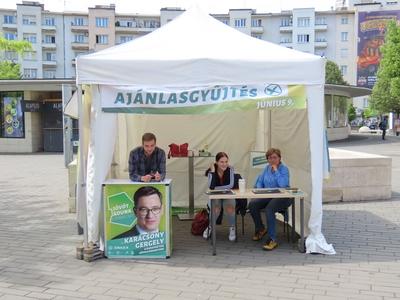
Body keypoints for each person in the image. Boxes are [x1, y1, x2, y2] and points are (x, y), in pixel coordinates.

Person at [248, 148, 291, 251]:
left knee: (269, 209)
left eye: (275, 157)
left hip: (283, 197)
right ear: (267, 159)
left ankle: (272, 239)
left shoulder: (284, 169)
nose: (272, 160)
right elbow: (260, 181)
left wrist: (276, 170)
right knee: (252, 205)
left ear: (279, 158)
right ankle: (261, 229)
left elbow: (283, 184)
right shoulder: (266, 168)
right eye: (270, 158)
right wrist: (259, 189)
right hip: (269, 196)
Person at [203, 152, 236, 242]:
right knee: (216, 209)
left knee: (230, 208)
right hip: (215, 195)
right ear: (217, 162)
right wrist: (213, 172)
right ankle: (210, 227)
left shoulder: (231, 169)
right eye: (221, 162)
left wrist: (216, 188)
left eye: (226, 161)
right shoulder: (212, 170)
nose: (224, 164)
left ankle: (232, 228)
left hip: (227, 194)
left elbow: (230, 185)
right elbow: (211, 186)